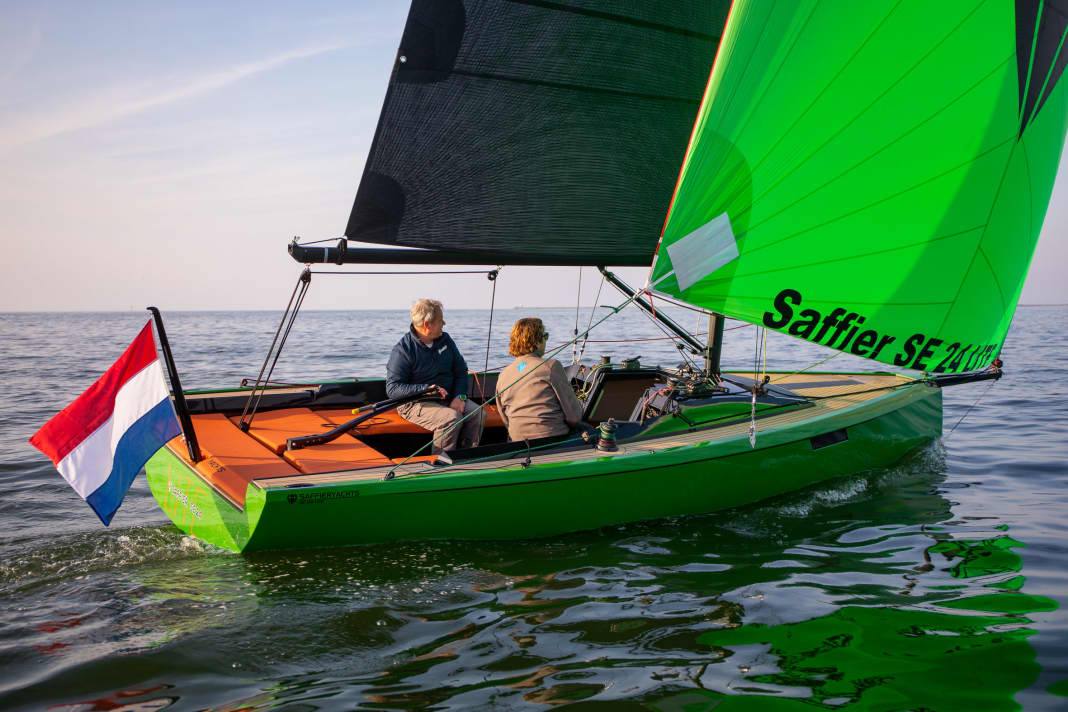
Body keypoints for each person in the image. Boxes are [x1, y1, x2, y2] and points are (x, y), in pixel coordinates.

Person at [387, 299, 482, 453]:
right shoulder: (403, 350)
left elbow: (460, 370)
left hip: (448, 397)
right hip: (415, 403)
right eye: (440, 320)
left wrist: (460, 396)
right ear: (427, 325)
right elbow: (393, 389)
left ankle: (467, 457)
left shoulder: (446, 340)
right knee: (451, 418)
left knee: (477, 413)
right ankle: (441, 465)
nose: (444, 323)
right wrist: (425, 389)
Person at [496, 317, 584, 442]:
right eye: (545, 336)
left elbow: (505, 418)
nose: (546, 340)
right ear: (536, 341)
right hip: (552, 440)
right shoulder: (551, 367)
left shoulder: (503, 374)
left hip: (517, 441)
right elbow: (574, 417)